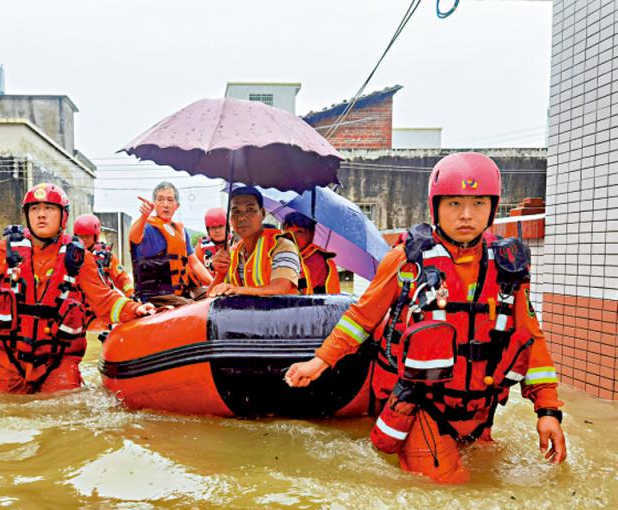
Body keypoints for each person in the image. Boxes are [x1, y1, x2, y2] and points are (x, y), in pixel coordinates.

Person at [285, 152, 566, 483]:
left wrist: (547, 411)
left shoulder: (507, 269)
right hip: (422, 405)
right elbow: (360, 319)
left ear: (493, 207)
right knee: (449, 486)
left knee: (491, 480)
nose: (466, 215)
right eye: (454, 204)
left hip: (479, 409)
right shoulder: (406, 261)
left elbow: (530, 340)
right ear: (436, 206)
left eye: (478, 203)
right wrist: (319, 362)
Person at [0, 183, 155, 394]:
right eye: (35, 209)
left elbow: (104, 299)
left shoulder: (77, 257)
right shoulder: (6, 250)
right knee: (10, 419)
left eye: (49, 208)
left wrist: (136, 309)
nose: (41, 215)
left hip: (59, 359)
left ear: (62, 216)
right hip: (10, 358)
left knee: (65, 417)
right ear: (27, 215)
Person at [129, 181, 213, 306]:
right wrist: (143, 216)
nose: (165, 205)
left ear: (177, 206)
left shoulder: (181, 232)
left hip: (180, 292)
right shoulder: (147, 228)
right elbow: (134, 237)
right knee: (191, 307)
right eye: (160, 200)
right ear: (154, 204)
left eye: (170, 200)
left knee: (213, 296)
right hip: (156, 296)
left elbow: (194, 263)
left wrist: (214, 284)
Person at [208, 186, 300, 297]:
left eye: (250, 209)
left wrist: (236, 290)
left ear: (262, 213)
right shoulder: (232, 253)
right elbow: (210, 297)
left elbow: (280, 289)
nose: (241, 218)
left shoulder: (282, 246)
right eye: (236, 211)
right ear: (230, 219)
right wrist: (221, 274)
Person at [73, 214, 135, 298]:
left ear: (95, 236)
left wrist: (130, 294)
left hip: (101, 300)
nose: (83, 240)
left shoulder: (106, 256)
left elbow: (121, 277)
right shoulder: (70, 255)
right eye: (81, 236)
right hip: (78, 302)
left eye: (87, 236)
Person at [281, 212, 341, 295]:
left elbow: (292, 288)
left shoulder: (316, 260)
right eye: (287, 232)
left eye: (299, 232)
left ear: (311, 234)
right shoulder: (291, 254)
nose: (292, 237)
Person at [195, 207, 229, 276]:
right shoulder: (200, 247)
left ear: (227, 227)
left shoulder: (235, 243)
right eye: (213, 227)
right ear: (208, 230)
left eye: (221, 226)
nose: (217, 230)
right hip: (209, 285)